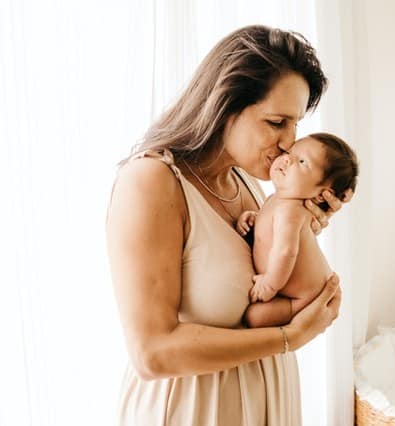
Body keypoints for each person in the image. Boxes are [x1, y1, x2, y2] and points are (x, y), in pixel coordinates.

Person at [105, 25, 352, 426]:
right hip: (192, 413)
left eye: (295, 125)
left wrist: (304, 229)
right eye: (276, 123)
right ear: (224, 106)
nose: (290, 143)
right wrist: (291, 337)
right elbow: (152, 352)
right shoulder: (151, 182)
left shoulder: (247, 184)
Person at [238, 133, 358, 329]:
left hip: (307, 296)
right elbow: (269, 229)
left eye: (302, 161)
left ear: (322, 196)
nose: (287, 159)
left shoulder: (292, 210)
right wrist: (253, 219)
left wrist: (269, 285)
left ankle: (294, 309)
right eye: (290, 152)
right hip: (293, 286)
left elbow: (286, 251)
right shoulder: (277, 200)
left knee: (254, 317)